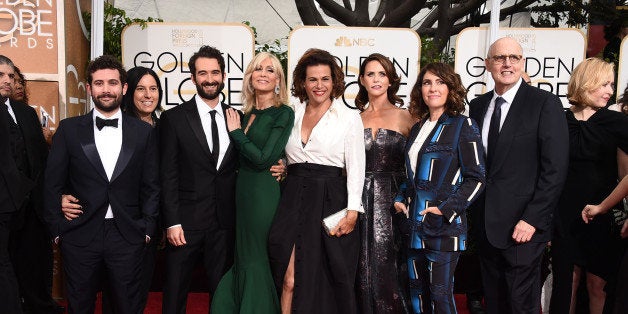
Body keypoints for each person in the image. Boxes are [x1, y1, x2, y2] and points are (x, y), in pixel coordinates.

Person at [43, 55, 160, 313]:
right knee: (79, 305)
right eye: (99, 83)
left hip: (127, 235)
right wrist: (59, 231)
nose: (106, 90)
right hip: (80, 234)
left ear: (124, 87)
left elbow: (151, 185)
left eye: (112, 83)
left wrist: (147, 228)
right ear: (89, 88)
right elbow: (52, 183)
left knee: (126, 306)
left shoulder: (144, 133)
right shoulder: (69, 130)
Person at [467, 37, 569, 314]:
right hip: (486, 225)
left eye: (514, 57)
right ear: (488, 64)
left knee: (521, 303)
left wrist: (532, 219)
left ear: (523, 63)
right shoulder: (477, 106)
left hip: (524, 227)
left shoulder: (544, 103)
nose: (507, 63)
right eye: (500, 58)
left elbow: (555, 169)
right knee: (495, 301)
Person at [267, 48, 365, 314]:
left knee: (326, 276)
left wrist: (353, 212)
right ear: (302, 82)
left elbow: (357, 168)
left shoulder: (348, 117)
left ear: (334, 82)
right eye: (313, 79)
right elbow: (287, 154)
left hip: (331, 198)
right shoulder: (291, 113)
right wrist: (282, 166)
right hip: (293, 196)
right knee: (289, 279)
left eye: (325, 79)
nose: (319, 85)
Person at [393, 62, 485, 314]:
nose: (432, 88)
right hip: (412, 226)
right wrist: (400, 197)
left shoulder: (463, 126)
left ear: (450, 87)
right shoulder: (417, 128)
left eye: (439, 82)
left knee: (440, 296)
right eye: (427, 82)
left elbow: (476, 178)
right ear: (420, 90)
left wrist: (444, 210)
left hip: (444, 228)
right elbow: (410, 175)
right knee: (416, 295)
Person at [211, 52, 294, 313]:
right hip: (242, 193)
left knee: (256, 256)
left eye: (270, 70)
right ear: (249, 76)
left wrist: (236, 133)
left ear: (279, 79)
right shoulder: (244, 114)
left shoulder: (283, 113)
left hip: (263, 194)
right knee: (243, 255)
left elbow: (264, 158)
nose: (263, 73)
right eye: (258, 69)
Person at [159, 45, 238, 314]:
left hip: (224, 223)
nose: (210, 79)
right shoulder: (173, 118)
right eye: (202, 73)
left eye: (215, 72)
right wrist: (171, 221)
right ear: (192, 78)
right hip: (185, 223)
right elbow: (167, 174)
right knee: (176, 290)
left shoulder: (237, 117)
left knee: (222, 293)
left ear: (224, 75)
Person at [549, 58, 628, 314]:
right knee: (566, 283)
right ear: (586, 83)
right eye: (604, 84)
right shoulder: (558, 120)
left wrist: (605, 207)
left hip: (603, 214)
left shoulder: (617, 122)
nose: (609, 91)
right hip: (563, 215)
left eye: (611, 85)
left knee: (597, 284)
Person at [354, 53, 413, 314]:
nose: (376, 79)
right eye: (370, 74)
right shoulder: (353, 120)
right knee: (361, 265)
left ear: (390, 80)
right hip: (359, 199)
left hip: (395, 202)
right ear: (362, 80)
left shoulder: (407, 117)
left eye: (382, 74)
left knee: (393, 264)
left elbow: (418, 163)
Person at [0, 55, 50, 313]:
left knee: (29, 261)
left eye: (11, 76)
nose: (7, 81)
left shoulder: (26, 113)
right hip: (4, 204)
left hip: (28, 204)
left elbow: (40, 157)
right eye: (1, 75)